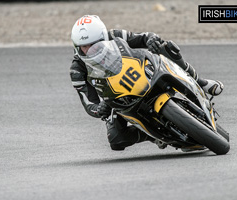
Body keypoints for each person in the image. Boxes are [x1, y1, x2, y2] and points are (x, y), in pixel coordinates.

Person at [70, 15, 224, 151]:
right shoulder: (77, 71)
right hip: (115, 98)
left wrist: (152, 40)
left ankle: (201, 82)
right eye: (84, 47)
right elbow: (88, 102)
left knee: (166, 47)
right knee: (116, 140)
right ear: (77, 47)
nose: (90, 50)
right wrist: (99, 109)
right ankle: (153, 136)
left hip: (141, 71)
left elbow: (144, 37)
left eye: (94, 44)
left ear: (103, 37)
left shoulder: (116, 35)